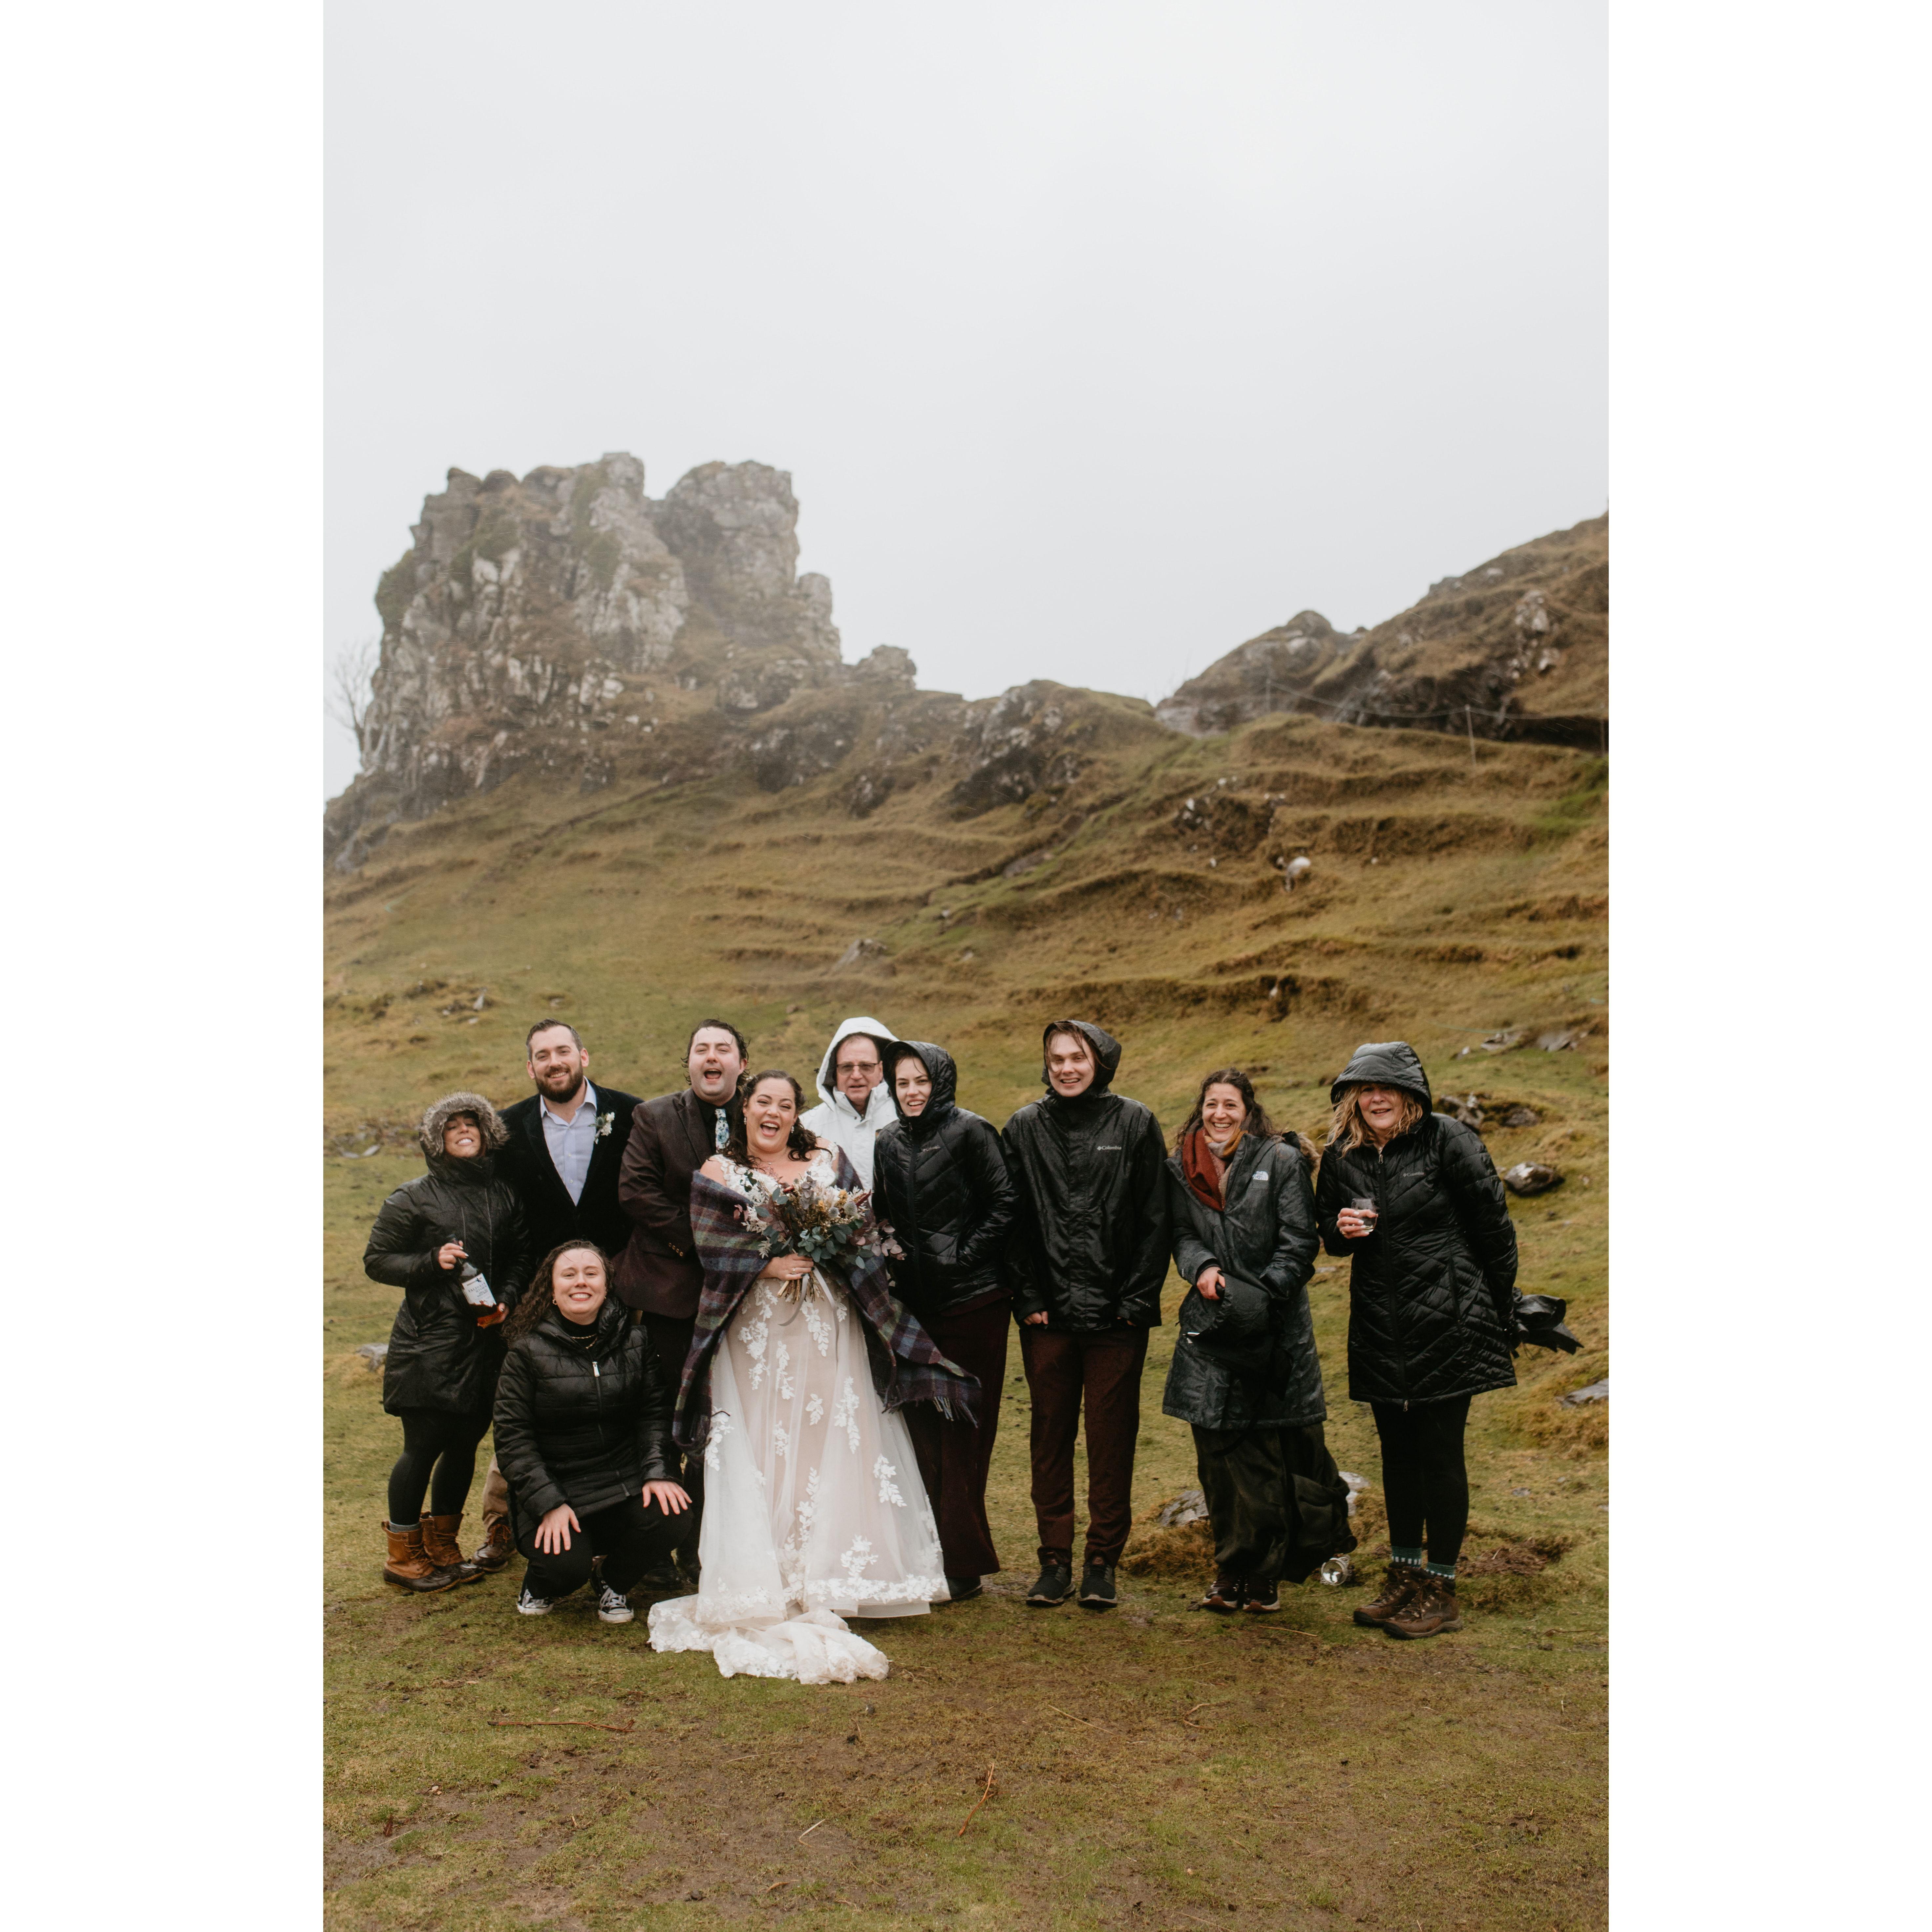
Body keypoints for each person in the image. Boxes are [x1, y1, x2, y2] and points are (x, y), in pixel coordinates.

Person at [647, 1071, 978, 1683]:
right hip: (756, 1328)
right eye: (762, 1102)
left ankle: (829, 1569)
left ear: (797, 1113)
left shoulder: (825, 1159)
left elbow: (863, 1227)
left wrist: (834, 1244)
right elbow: (709, 1242)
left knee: (827, 1427)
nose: (772, 1112)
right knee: (765, 1433)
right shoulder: (718, 1173)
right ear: (744, 1109)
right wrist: (767, 1263)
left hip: (826, 1320)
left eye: (785, 1104)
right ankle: (769, 1567)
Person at [1314, 1041, 1519, 1640]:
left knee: (1439, 1454)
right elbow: (1328, 1234)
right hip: (1381, 1323)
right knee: (1397, 1455)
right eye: (1365, 1088)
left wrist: (1500, 1311)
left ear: (1410, 1094)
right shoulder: (1341, 1155)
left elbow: (1494, 1229)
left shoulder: (1447, 1139)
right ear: (1352, 1097)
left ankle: (1441, 1588)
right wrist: (1342, 1229)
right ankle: (1403, 1578)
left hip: (1449, 1320)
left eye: (1388, 1087)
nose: (1376, 1097)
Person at [1163, 1067, 1352, 1614]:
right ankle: (1229, 1571)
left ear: (1248, 1110)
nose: (1219, 1114)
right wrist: (1199, 1266)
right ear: (1201, 1109)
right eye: (1211, 1104)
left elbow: (1299, 1241)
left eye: (1230, 1104)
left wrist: (1260, 1298)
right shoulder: (1180, 1166)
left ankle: (1265, 1575)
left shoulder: (1282, 1161)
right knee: (1217, 1458)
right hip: (1211, 1330)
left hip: (1274, 1332)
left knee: (1270, 1457)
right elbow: (1179, 1234)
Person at [1001, 1019, 1169, 1612]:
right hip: (1047, 1319)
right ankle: (1053, 1560)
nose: (1066, 1068)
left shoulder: (1135, 1123)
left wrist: (1135, 1302)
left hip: (1115, 1321)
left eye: (1077, 1057)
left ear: (1099, 1061)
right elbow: (1012, 1220)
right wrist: (1028, 1299)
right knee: (1049, 1435)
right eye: (1056, 1058)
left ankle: (1101, 1561)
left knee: (1110, 1437)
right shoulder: (1023, 1128)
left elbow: (1156, 1219)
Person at [474, 1021, 643, 1573]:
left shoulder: (632, 1113)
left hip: (614, 1280)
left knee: (617, 1393)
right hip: (536, 1289)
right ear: (531, 1067)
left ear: (583, 1056)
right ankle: (502, 1517)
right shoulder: (507, 1127)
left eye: (562, 1051)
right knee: (522, 1393)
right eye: (542, 1055)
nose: (554, 1062)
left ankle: (618, 1512)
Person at [365, 1092, 532, 1592]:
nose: (463, 1130)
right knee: (422, 1445)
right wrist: (428, 1261)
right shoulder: (412, 1196)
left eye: (472, 1123)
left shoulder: (504, 1194)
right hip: (429, 1343)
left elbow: (521, 1257)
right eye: (451, 1125)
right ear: (436, 1139)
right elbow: (377, 1259)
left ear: (486, 1134)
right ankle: (403, 1554)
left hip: (485, 1342)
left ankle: (443, 1546)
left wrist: (504, 1300)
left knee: (464, 1445)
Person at [871, 1039, 1017, 1603]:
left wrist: (962, 1254)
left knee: (965, 1432)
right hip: (915, 1308)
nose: (911, 1092)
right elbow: (883, 1209)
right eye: (902, 1083)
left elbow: (1005, 1202)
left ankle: (965, 1562)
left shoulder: (971, 1132)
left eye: (920, 1082)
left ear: (941, 1082)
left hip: (974, 1303)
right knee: (920, 1432)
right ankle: (926, 1552)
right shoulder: (886, 1142)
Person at [611, 1018, 748, 1581]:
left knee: (734, 1420)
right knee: (673, 1419)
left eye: (723, 1049)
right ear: (688, 1062)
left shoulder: (765, 1111)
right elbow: (635, 1191)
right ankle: (664, 1549)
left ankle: (720, 1546)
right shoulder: (654, 1116)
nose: (711, 1057)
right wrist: (703, 1242)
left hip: (746, 1295)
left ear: (742, 1063)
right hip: (672, 1295)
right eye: (701, 1049)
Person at [491, 1240, 692, 1622]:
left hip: (621, 1482)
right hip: (558, 1487)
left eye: (591, 1273)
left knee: (674, 1513)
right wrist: (548, 1503)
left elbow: (653, 1414)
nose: (580, 1282)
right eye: (568, 1275)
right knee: (565, 1569)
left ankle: (611, 1583)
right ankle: (539, 1583)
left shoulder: (636, 1341)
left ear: (606, 1284)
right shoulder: (525, 1351)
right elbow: (513, 1437)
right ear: (551, 1290)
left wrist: (657, 1473)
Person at [797, 1015, 898, 1189]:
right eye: (847, 1067)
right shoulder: (808, 1126)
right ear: (834, 1071)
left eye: (866, 1066)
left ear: (881, 1070)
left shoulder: (906, 1118)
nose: (856, 1075)